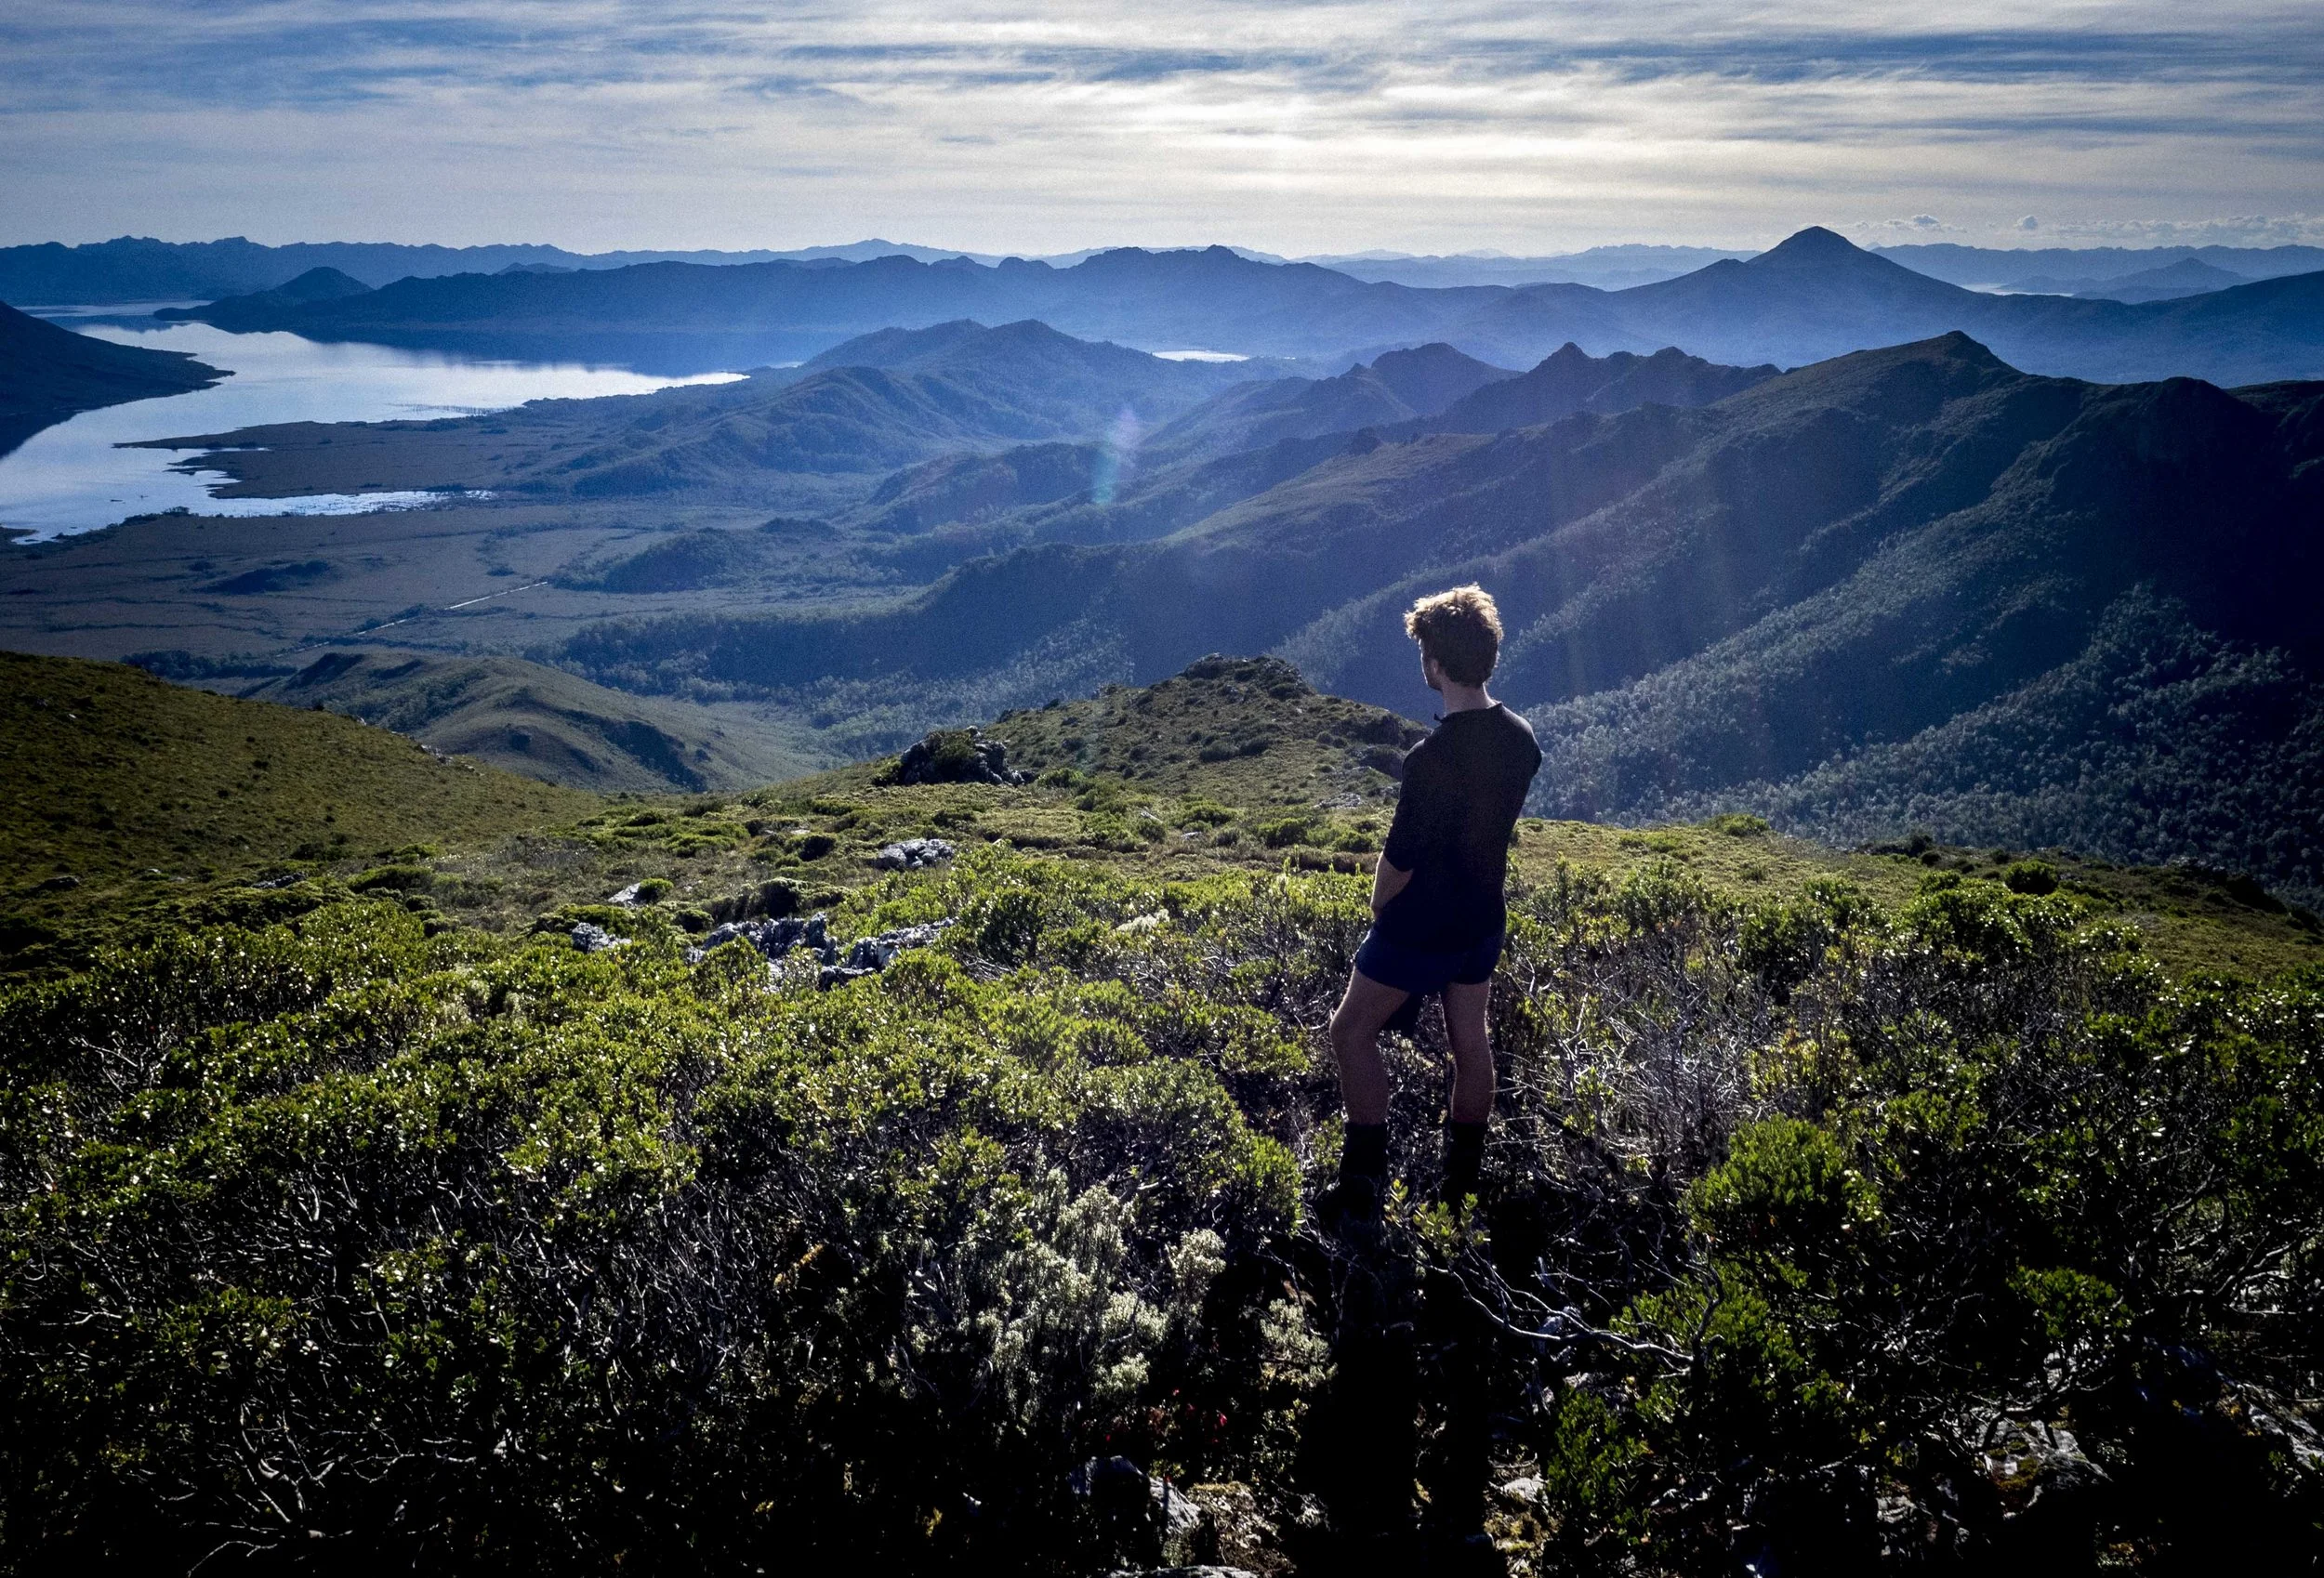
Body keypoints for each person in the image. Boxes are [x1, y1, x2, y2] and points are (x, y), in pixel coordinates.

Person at [1326, 585, 1540, 1222]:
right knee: (1470, 1043)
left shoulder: (1431, 759)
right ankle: (1459, 1187)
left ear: (1436, 664)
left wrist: (1378, 907)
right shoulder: (1522, 740)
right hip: (1482, 921)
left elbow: (1400, 860)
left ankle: (1363, 1180)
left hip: (1420, 928)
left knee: (1350, 1032)